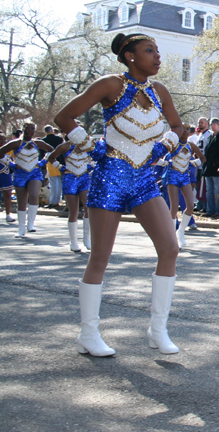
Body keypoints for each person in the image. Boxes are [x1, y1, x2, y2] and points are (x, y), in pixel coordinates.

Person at [54, 32, 184, 357]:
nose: (157, 57)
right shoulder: (111, 85)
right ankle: (88, 333)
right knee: (100, 257)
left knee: (170, 247)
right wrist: (90, 145)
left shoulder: (159, 91)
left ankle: (158, 330)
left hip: (143, 179)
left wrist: (165, 144)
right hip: (110, 175)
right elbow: (63, 117)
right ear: (130, 56)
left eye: (157, 51)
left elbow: (179, 127)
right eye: (149, 51)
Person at [45, 125, 95, 252]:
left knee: (88, 207)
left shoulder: (88, 144)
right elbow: (51, 157)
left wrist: (91, 166)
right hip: (69, 179)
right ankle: (73, 242)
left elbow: (98, 157)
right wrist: (60, 167)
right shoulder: (65, 146)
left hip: (85, 179)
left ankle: (87, 240)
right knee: (74, 211)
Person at [0, 122, 54, 237]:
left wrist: (43, 161)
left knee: (34, 195)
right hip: (20, 174)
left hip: (35, 173)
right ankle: (21, 228)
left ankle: (31, 224)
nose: (30, 130)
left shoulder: (37, 142)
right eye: (28, 128)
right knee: (21, 201)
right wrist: (11, 164)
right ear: (23, 129)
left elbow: (51, 150)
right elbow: (1, 152)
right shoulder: (16, 143)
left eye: (33, 129)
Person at [162, 125, 205, 247]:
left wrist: (193, 163)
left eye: (187, 129)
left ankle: (181, 231)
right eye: (183, 129)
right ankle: (172, 236)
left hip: (184, 176)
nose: (186, 131)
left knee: (190, 205)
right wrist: (164, 163)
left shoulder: (191, 146)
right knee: (174, 207)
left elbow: (203, 158)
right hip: (172, 176)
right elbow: (159, 157)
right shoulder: (173, 145)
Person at [202, 118, 219, 218]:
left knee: (217, 190)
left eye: (214, 124)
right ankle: (210, 210)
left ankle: (218, 210)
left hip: (217, 168)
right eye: (211, 124)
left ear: (218, 125)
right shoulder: (210, 137)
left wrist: (217, 163)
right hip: (208, 168)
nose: (213, 126)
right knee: (209, 190)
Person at [42, 125, 64, 208]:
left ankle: (53, 201)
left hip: (50, 162)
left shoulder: (44, 140)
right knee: (58, 182)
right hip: (60, 161)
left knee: (53, 183)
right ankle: (58, 199)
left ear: (45, 132)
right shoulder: (59, 139)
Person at [194, 117, 211, 213]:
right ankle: (199, 204)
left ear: (206, 124)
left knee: (203, 187)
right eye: (199, 123)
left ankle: (204, 205)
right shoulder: (200, 135)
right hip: (198, 164)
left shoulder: (208, 135)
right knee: (198, 186)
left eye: (201, 123)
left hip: (203, 164)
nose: (200, 124)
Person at [0, 133, 16, 223]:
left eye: (4, 139)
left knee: (7, 194)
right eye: (0, 139)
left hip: (6, 175)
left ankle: (8, 214)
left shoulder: (8, 153)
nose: (3, 141)